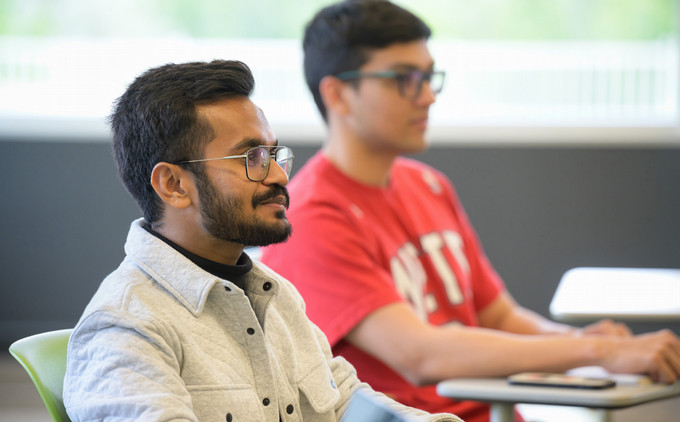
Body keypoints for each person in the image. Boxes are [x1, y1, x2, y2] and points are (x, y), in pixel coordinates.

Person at [260, 1, 680, 421]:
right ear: (337, 93)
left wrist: (586, 340)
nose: (427, 96)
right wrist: (599, 351)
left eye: (428, 77)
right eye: (404, 79)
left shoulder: (428, 185)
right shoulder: (315, 215)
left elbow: (500, 316)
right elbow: (421, 355)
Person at [62, 59, 461, 422]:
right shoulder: (125, 326)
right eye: (251, 158)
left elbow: (348, 403)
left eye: (273, 154)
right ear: (173, 185)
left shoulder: (277, 296)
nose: (279, 177)